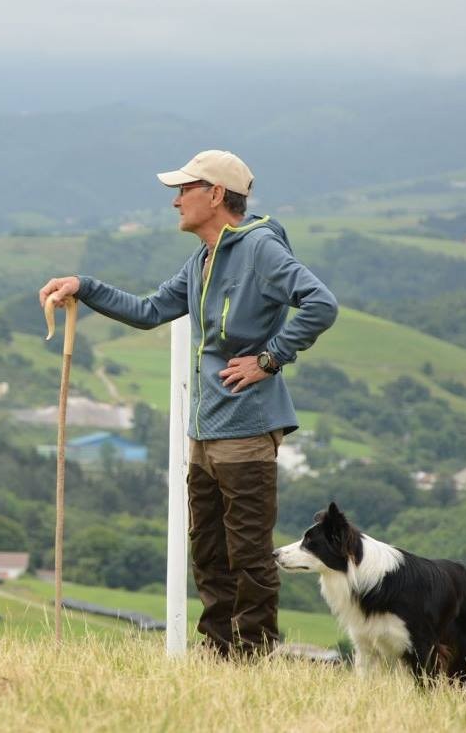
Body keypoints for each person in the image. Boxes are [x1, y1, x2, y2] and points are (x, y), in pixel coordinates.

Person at [39, 150, 337, 657]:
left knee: (247, 554)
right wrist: (83, 288)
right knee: (209, 552)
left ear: (216, 195)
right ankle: (218, 651)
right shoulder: (203, 257)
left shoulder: (260, 248)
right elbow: (151, 309)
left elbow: (321, 303)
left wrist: (268, 360)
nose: (176, 200)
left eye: (185, 189)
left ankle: (252, 655)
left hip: (247, 427)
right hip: (204, 432)